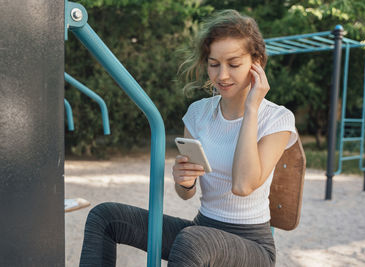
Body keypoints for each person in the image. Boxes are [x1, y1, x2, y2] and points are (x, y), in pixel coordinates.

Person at [79, 9, 297, 267]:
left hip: (252, 247)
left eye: (234, 64)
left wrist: (251, 108)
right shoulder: (198, 113)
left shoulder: (277, 119)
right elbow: (186, 195)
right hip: (201, 231)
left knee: (192, 241)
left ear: (256, 63)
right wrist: (185, 182)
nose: (222, 76)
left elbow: (243, 185)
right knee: (104, 217)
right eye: (214, 64)